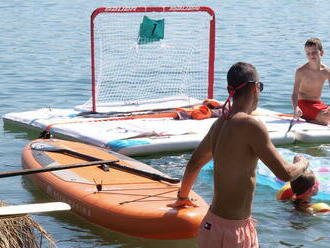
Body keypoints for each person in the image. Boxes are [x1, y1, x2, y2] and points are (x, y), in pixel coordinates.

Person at [168, 62, 309, 248]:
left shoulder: (220, 123)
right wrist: (302, 162)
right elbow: (285, 173)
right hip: (235, 232)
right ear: (255, 87)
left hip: (210, 226)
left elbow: (194, 163)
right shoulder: (251, 125)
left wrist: (183, 197)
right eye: (261, 86)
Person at [291, 38, 330, 125]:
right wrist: (295, 108)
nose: (311, 55)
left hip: (318, 104)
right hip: (303, 104)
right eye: (308, 53)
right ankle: (315, 120)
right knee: (327, 117)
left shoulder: (326, 71)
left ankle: (318, 119)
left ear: (322, 52)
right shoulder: (301, 71)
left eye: (314, 52)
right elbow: (294, 94)